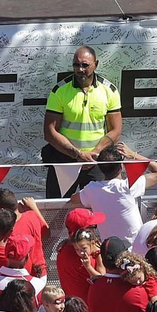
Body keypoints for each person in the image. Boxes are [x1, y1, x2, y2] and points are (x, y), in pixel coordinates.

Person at [43, 46, 123, 198]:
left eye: (85, 65)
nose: (80, 69)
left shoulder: (109, 91)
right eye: (76, 65)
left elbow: (116, 130)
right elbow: (49, 132)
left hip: (96, 161)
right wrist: (77, 154)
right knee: (56, 211)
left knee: (98, 210)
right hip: (65, 161)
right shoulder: (60, 90)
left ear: (96, 64)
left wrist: (95, 153)